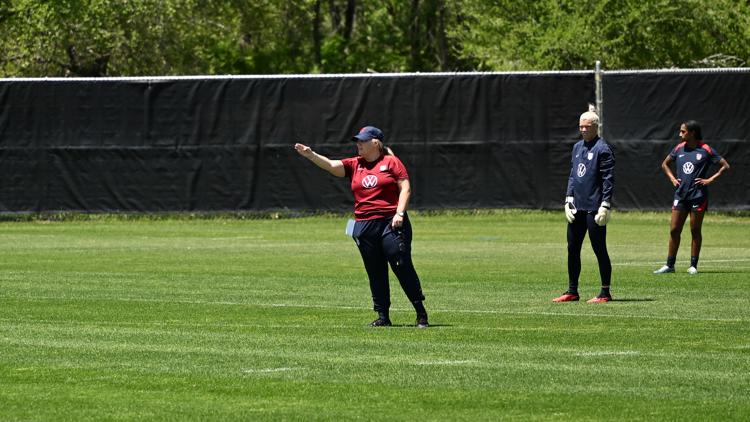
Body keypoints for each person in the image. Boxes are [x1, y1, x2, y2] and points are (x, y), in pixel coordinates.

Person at [294, 126, 429, 328]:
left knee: (400, 263)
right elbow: (332, 165)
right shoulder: (355, 164)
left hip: (390, 222)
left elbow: (405, 187)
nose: (358, 144)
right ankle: (383, 316)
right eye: (357, 141)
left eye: (362, 141)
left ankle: (420, 313)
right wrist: (310, 155)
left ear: (375, 143)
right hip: (365, 225)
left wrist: (399, 213)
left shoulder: (391, 162)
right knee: (375, 270)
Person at [653, 120, 730, 275]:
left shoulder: (705, 149)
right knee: (674, 230)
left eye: (683, 131)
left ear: (692, 133)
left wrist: (709, 180)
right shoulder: (679, 148)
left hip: (698, 196)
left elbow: (725, 166)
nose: (680, 134)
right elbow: (664, 164)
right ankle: (670, 265)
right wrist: (673, 179)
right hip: (681, 195)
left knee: (695, 230)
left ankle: (693, 265)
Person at [554, 110, 615, 304]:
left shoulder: (603, 149)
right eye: (580, 126)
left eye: (586, 126)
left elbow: (608, 179)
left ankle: (605, 292)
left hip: (594, 207)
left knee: (599, 248)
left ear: (595, 127)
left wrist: (605, 205)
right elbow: (573, 174)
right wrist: (568, 198)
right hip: (577, 206)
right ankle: (572, 291)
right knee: (572, 248)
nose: (582, 129)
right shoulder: (577, 147)